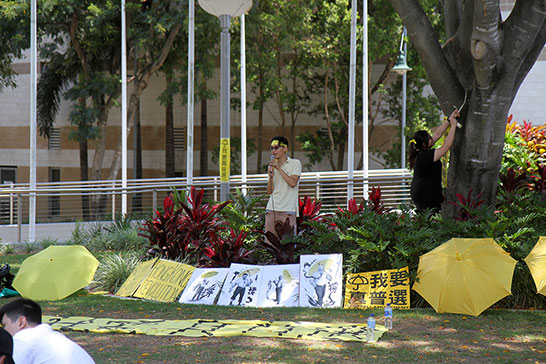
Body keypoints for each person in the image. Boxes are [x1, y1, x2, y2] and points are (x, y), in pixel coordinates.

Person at [0, 298, 95, 364]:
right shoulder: (53, 337)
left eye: (4, 325)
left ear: (21, 322)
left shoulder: (22, 338)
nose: (4, 330)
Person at [409, 109, 460, 214]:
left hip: (421, 191)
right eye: (429, 138)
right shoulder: (426, 156)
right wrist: (454, 125)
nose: (432, 138)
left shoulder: (420, 152)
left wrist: (450, 120)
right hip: (425, 193)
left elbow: (437, 134)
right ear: (424, 144)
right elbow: (446, 146)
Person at [265, 136, 302, 238]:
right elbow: (269, 191)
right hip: (272, 209)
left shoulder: (295, 163)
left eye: (276, 147)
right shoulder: (271, 167)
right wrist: (271, 177)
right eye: (272, 148)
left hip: (288, 210)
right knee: (270, 243)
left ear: (285, 149)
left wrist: (279, 168)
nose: (273, 151)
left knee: (288, 244)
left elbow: (292, 183)